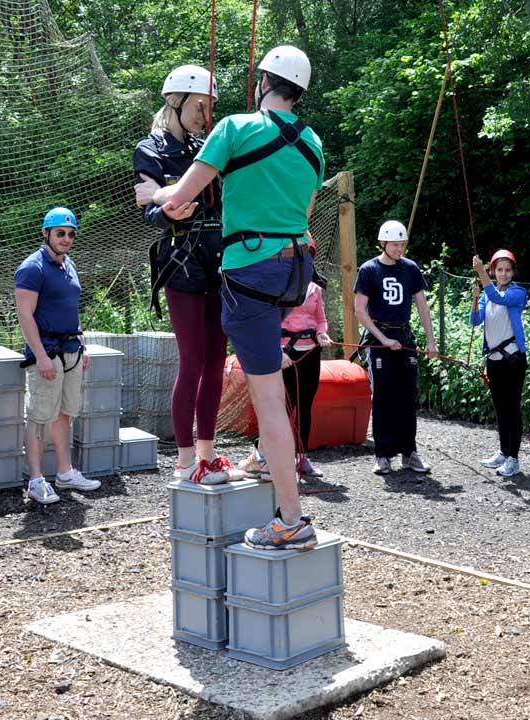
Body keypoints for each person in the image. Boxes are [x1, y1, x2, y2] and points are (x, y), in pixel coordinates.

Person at [151, 46, 324, 551]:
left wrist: (154, 197)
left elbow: (181, 197)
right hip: (294, 269)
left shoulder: (235, 128)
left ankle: (290, 518)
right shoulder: (313, 143)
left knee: (267, 396)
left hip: (249, 269)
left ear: (263, 81)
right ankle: (272, 464)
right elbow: (303, 209)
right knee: (270, 383)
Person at [133, 65, 240, 485]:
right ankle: (182, 463)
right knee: (193, 359)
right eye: (200, 106)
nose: (206, 115)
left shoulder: (205, 146)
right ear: (176, 101)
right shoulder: (151, 149)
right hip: (181, 259)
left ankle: (207, 455)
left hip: (218, 257)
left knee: (216, 360)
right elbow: (148, 209)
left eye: (210, 107)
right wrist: (166, 208)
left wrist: (163, 194)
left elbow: (160, 192)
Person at [14, 207, 102, 505]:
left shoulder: (69, 265)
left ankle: (65, 473)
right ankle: (36, 481)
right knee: (39, 416)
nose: (66, 239)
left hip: (71, 351)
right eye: (60, 233)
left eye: (71, 234)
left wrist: (82, 346)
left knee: (65, 413)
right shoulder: (32, 268)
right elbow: (24, 315)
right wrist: (40, 355)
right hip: (47, 353)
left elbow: (71, 310)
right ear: (46, 234)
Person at [354, 220, 439, 475]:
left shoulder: (410, 269)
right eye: (395, 244)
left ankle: (409, 452)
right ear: (383, 243)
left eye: (402, 244)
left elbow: (422, 306)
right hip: (379, 342)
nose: (399, 248)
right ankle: (383, 455)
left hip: (404, 339)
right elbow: (360, 311)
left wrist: (431, 340)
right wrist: (381, 339)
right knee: (383, 398)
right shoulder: (369, 270)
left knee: (406, 397)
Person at [238, 279, 332, 480]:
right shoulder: (277, 285)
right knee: (279, 407)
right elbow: (267, 321)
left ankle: (301, 457)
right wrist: (277, 351)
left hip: (310, 351)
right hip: (283, 353)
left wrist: (322, 333)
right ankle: (266, 455)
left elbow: (320, 318)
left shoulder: (314, 289)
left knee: (304, 406)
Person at [470, 250, 528, 477]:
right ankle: (504, 452)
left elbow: (499, 298)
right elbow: (475, 320)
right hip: (494, 360)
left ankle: (513, 458)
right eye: (499, 270)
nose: (503, 274)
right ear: (494, 271)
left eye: (507, 270)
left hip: (513, 360)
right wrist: (476, 298)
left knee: (512, 409)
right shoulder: (487, 294)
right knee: (500, 409)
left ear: (513, 272)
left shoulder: (517, 293)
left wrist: (481, 273)